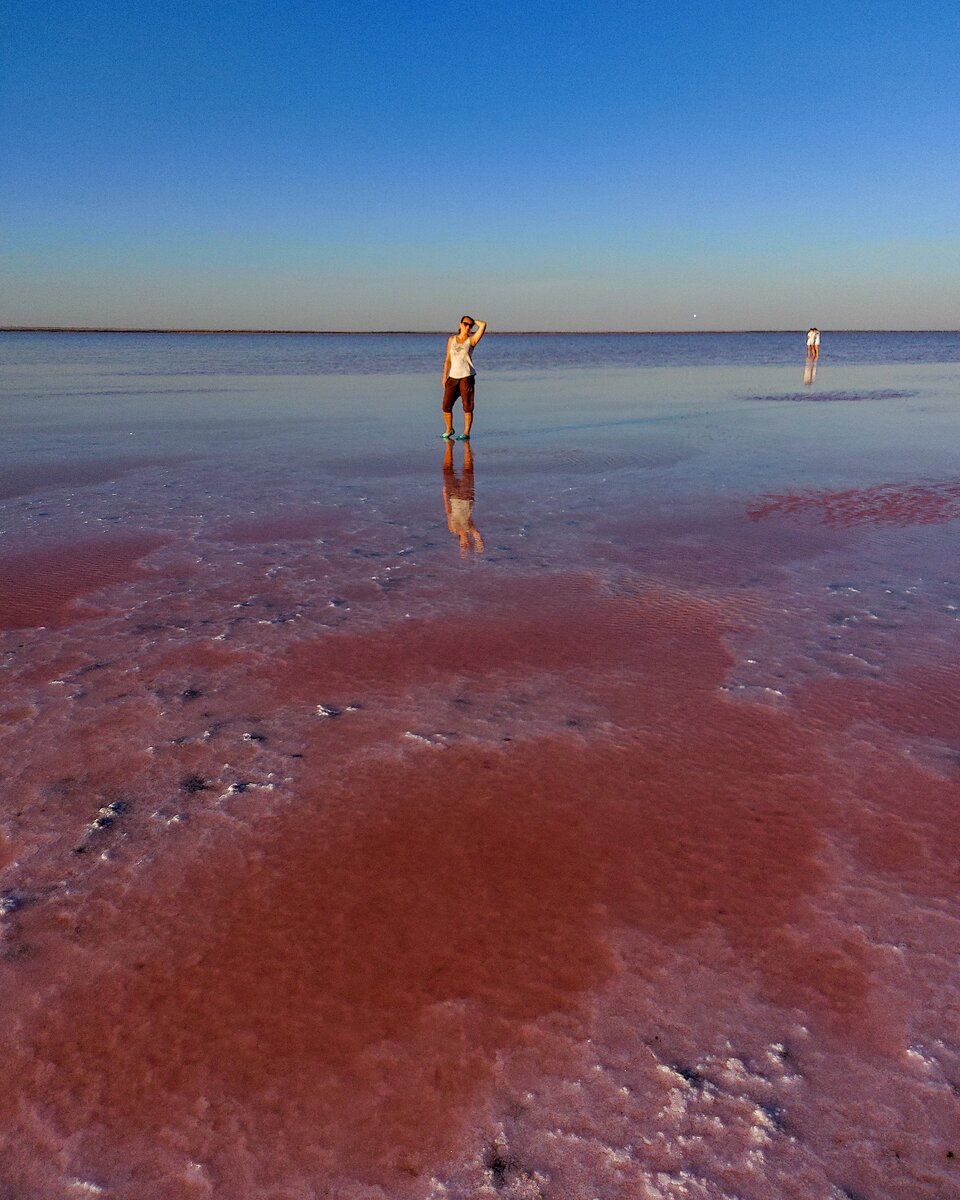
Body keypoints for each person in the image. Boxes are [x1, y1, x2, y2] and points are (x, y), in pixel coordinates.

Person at [441, 315, 487, 440]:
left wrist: (474, 320)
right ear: (460, 324)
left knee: (467, 406)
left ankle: (466, 433)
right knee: (446, 405)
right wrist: (444, 376)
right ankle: (449, 429)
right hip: (452, 377)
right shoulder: (452, 339)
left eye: (470, 325)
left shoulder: (471, 340)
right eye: (465, 324)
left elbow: (483, 325)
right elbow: (447, 360)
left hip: (467, 377)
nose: (468, 327)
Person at [442, 438, 484, 556]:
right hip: (466, 496)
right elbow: (477, 535)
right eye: (466, 545)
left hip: (453, 496)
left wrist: (445, 494)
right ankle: (467, 447)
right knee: (468, 469)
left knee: (447, 469)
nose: (465, 543)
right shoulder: (469, 528)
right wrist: (479, 543)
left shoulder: (453, 529)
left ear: (460, 542)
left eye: (462, 545)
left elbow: (448, 512)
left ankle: (449, 447)